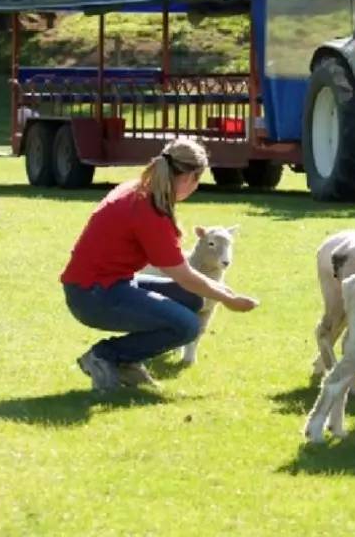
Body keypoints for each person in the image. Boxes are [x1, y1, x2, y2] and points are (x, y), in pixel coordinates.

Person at [60, 138, 259, 391]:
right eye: (198, 180)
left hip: (107, 284)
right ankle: (106, 356)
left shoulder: (142, 190)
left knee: (193, 300)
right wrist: (228, 300)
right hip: (93, 295)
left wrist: (224, 292)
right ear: (189, 178)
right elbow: (182, 274)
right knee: (188, 325)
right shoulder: (148, 208)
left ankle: (126, 363)